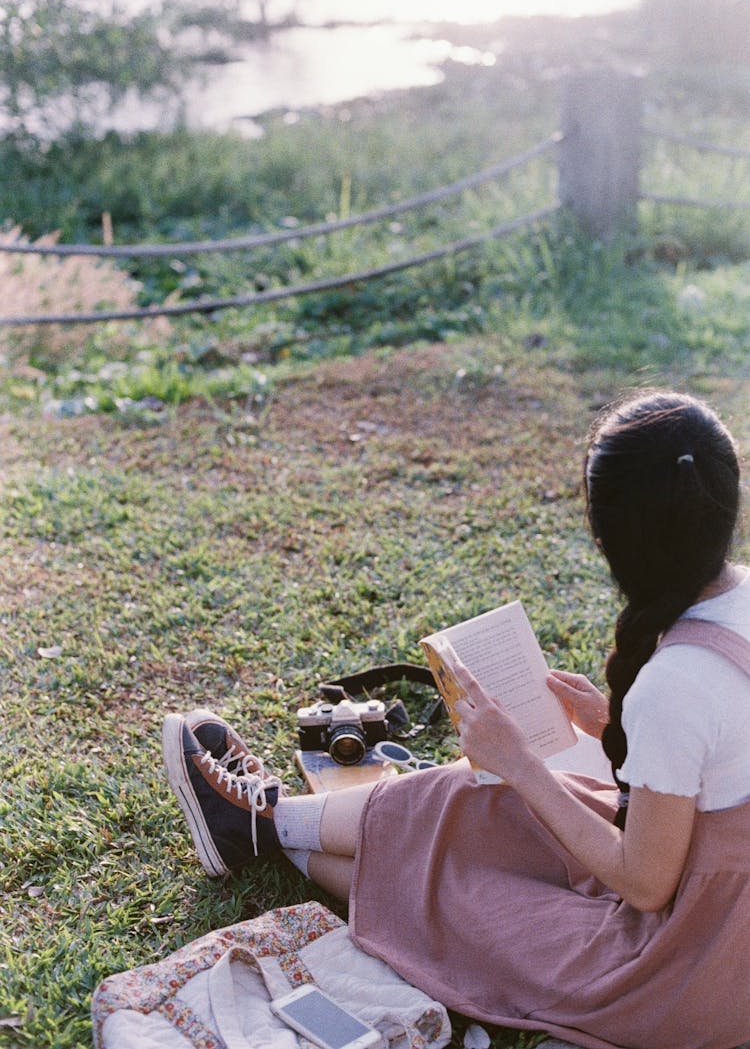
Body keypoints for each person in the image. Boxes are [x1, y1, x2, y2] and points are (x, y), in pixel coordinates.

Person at [162, 389, 750, 1049]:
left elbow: (644, 884)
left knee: (459, 900)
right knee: (469, 794)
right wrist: (606, 717)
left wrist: (524, 765)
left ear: (611, 537)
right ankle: (264, 823)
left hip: (692, 972)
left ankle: (269, 837)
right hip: (709, 894)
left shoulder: (675, 685)